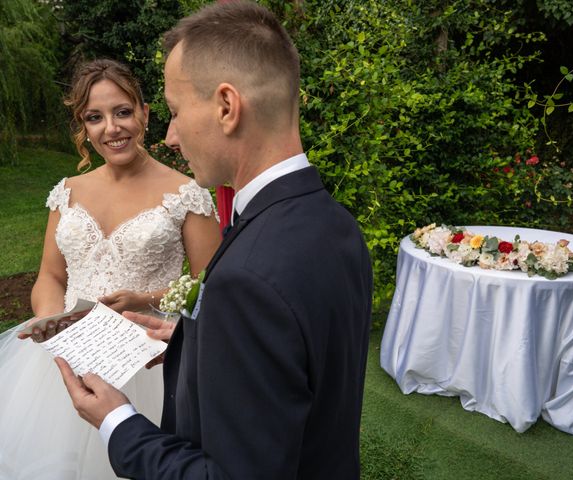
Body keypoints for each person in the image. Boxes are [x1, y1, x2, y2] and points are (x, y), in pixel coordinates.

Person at [57, 2, 373, 479]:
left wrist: (117, 421)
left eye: (177, 111)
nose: (171, 135)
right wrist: (191, 340)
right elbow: (297, 364)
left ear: (227, 107)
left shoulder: (248, 278)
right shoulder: (334, 223)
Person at [0, 59, 221, 479]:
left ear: (144, 113)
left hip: (148, 359)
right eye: (94, 118)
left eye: (122, 112)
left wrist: (147, 299)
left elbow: (212, 284)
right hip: (69, 356)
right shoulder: (68, 191)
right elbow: (51, 276)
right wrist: (51, 322)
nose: (111, 128)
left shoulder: (186, 193)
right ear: (83, 126)